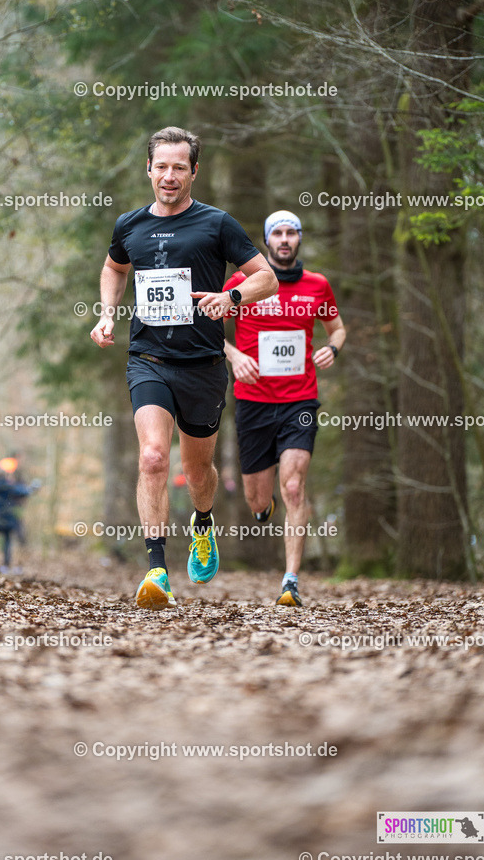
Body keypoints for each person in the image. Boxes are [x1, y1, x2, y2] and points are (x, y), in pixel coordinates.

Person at [90, 126, 277, 610]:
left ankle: (202, 522)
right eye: (161, 166)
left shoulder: (216, 224)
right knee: (153, 456)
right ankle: (156, 570)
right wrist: (107, 312)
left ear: (194, 171)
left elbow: (268, 279)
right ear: (148, 169)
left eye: (179, 167)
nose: (169, 176)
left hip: (203, 366)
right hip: (149, 360)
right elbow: (114, 267)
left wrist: (230, 296)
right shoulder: (129, 225)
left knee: (198, 471)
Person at [223, 210, 345, 607]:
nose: (285, 238)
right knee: (257, 500)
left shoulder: (317, 285)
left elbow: (337, 327)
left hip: (300, 399)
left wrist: (332, 347)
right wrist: (234, 355)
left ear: (300, 239)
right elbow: (208, 327)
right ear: (267, 240)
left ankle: (290, 581)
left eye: (292, 232)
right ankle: (265, 507)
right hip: (254, 401)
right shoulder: (243, 283)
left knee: (294, 485)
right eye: (277, 232)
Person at [0, 455, 40, 574]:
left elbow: (17, 491)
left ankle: (3, 565)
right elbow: (18, 490)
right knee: (5, 540)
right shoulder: (0, 484)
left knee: (0, 540)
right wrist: (31, 489)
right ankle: (4, 565)